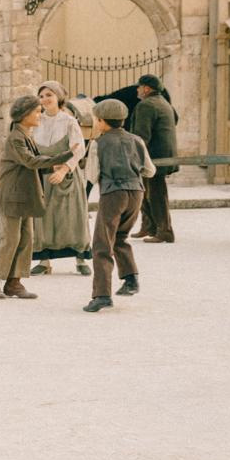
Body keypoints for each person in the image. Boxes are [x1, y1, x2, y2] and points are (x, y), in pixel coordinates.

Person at [0, 94, 81, 300]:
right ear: (24, 115)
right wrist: (65, 155)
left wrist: (55, 167)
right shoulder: (16, 138)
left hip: (25, 195)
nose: (40, 114)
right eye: (36, 111)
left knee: (27, 239)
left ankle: (14, 282)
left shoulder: (26, 135)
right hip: (13, 196)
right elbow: (31, 162)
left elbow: (34, 166)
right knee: (11, 239)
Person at [82, 99, 156, 312]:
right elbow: (149, 170)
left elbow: (92, 175)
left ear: (102, 122)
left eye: (96, 120)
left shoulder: (98, 143)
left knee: (102, 243)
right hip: (136, 192)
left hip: (113, 193)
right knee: (121, 236)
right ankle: (131, 279)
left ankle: (101, 295)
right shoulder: (136, 140)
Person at [29, 81, 91, 276]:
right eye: (41, 96)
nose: (45, 99)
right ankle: (44, 261)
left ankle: (80, 258)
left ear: (59, 97)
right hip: (43, 176)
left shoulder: (69, 121)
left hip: (67, 177)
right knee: (43, 218)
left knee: (72, 217)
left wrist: (64, 169)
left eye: (49, 95)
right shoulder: (35, 121)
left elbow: (79, 148)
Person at [129, 73, 178, 243]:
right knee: (146, 191)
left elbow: (141, 135)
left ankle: (165, 231)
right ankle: (149, 226)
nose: (137, 89)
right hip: (164, 154)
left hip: (152, 157)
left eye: (139, 86)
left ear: (147, 89)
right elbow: (175, 120)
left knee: (155, 193)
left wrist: (133, 156)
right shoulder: (164, 103)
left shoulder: (146, 105)